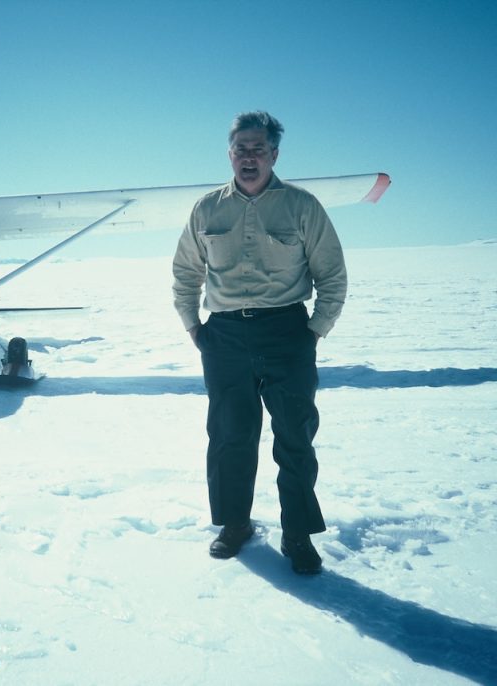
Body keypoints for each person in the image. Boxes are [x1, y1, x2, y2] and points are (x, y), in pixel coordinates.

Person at [172, 111, 347, 574]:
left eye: (258, 149)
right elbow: (186, 271)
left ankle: (297, 535)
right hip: (224, 335)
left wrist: (313, 332)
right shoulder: (207, 209)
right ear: (230, 154)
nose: (249, 158)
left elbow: (332, 274)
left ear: (274, 154)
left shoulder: (302, 206)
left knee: (294, 436)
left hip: (287, 332)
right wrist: (194, 326)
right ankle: (235, 524)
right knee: (230, 436)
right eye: (240, 149)